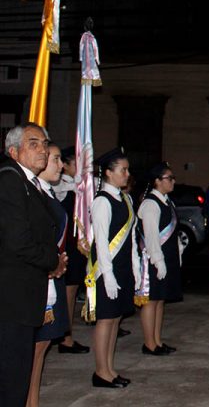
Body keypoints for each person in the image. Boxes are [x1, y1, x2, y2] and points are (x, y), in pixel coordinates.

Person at [0, 124, 66, 407]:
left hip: (24, 292)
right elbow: (18, 240)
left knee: (17, 372)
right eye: (33, 143)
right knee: (11, 378)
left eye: (44, 143)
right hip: (12, 296)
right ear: (13, 151)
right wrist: (52, 261)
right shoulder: (10, 180)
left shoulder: (29, 183)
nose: (43, 149)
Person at [86, 147, 136, 388]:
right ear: (108, 173)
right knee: (105, 319)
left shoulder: (125, 198)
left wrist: (135, 270)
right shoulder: (102, 201)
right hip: (108, 269)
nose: (127, 174)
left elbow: (132, 239)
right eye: (123, 170)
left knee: (116, 318)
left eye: (127, 169)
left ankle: (109, 368)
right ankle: (100, 372)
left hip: (123, 267)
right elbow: (102, 242)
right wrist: (107, 276)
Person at [28, 142, 70, 407]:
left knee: (42, 346)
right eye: (56, 159)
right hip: (41, 275)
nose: (61, 164)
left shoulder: (49, 192)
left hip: (53, 273)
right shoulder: (34, 194)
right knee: (34, 347)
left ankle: (33, 400)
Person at [136, 163, 183, 356]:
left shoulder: (166, 201)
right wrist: (158, 260)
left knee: (160, 300)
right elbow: (152, 236)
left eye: (172, 178)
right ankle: (149, 343)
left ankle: (157, 340)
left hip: (167, 257)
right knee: (151, 301)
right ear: (157, 181)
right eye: (168, 178)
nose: (172, 181)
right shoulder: (150, 204)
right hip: (153, 260)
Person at [54, 145, 90, 355]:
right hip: (67, 246)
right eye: (75, 163)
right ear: (66, 166)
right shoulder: (61, 188)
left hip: (77, 246)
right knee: (67, 293)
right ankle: (65, 338)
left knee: (73, 290)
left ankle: (67, 335)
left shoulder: (78, 187)